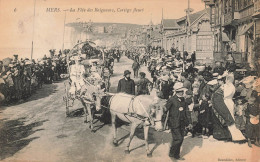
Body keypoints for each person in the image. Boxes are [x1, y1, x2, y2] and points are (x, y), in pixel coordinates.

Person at [166, 82, 192, 160]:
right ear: (177, 91)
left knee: (181, 139)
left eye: (182, 91)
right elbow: (165, 109)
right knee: (178, 138)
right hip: (174, 122)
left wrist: (189, 122)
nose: (182, 92)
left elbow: (186, 111)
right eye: (181, 91)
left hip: (182, 122)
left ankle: (176, 155)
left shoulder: (183, 100)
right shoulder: (171, 99)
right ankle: (171, 153)